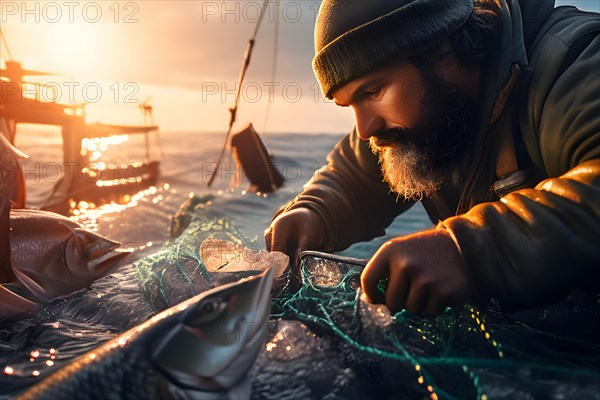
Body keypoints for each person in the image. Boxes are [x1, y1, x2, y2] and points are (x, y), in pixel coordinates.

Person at [264, 0, 600, 315]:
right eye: (349, 105)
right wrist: (314, 211)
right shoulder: (423, 115)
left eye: (373, 92)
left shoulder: (578, 64)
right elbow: (355, 179)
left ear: (442, 51)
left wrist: (468, 251)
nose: (364, 129)